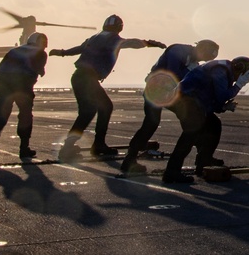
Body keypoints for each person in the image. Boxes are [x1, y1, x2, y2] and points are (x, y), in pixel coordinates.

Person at [49, 14, 165, 161]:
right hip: (88, 79)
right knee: (103, 108)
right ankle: (96, 145)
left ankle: (74, 145)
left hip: (78, 77)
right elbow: (130, 43)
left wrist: (62, 53)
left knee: (88, 112)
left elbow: (79, 49)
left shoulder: (94, 37)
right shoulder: (113, 38)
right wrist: (148, 43)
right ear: (119, 27)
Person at [120, 39, 220, 176]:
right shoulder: (178, 50)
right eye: (205, 57)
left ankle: (203, 158)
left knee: (195, 121)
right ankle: (131, 160)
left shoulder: (194, 63)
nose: (202, 60)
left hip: (170, 92)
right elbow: (173, 74)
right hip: (157, 89)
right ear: (200, 49)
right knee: (152, 123)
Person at [162, 56, 249, 184]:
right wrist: (238, 85)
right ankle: (172, 171)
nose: (242, 80)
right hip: (185, 100)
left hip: (191, 101)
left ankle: (203, 162)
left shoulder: (223, 70)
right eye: (245, 77)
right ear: (239, 69)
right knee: (191, 132)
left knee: (213, 125)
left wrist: (223, 107)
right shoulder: (221, 71)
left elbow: (214, 102)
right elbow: (222, 96)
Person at [0, 32, 48, 159]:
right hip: (22, 84)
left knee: (0, 115)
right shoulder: (41, 53)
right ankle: (24, 148)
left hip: (3, 81)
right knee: (25, 115)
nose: (45, 46)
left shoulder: (14, 51)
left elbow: (0, 68)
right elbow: (39, 71)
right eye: (44, 43)